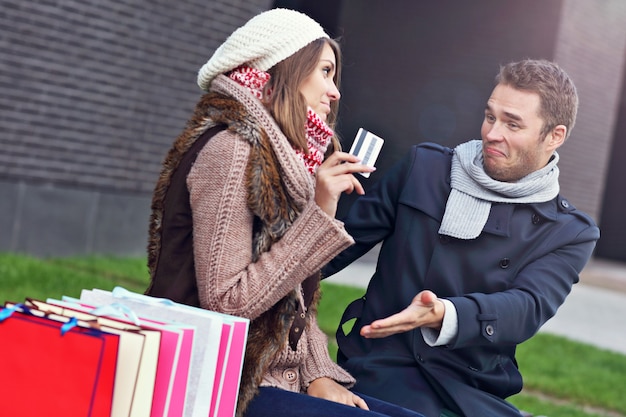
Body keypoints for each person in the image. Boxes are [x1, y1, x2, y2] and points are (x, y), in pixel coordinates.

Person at [144, 8, 425, 417]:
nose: (336, 92)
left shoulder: (286, 162)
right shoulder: (231, 151)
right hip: (221, 382)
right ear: (286, 71)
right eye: (325, 72)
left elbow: (293, 301)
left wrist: (317, 375)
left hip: (276, 380)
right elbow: (226, 303)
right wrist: (321, 215)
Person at [322, 59, 601, 417]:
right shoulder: (423, 168)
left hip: (473, 389)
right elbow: (328, 254)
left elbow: (527, 307)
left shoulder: (569, 230)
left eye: (512, 124)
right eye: (490, 116)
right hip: (384, 368)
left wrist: (446, 314)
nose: (492, 133)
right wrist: (322, 202)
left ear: (554, 136)